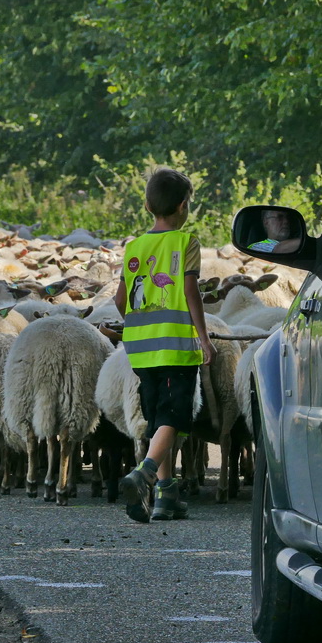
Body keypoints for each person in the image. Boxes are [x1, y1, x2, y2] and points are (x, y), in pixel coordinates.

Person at [113, 167, 215, 523]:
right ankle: (144, 473)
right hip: (174, 345)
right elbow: (190, 292)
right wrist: (203, 338)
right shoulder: (186, 243)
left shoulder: (134, 247)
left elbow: (120, 300)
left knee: (158, 418)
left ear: (146, 205)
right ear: (185, 206)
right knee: (175, 416)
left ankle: (166, 495)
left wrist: (139, 318)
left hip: (140, 348)